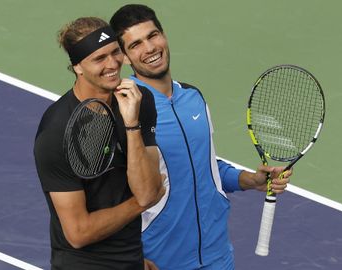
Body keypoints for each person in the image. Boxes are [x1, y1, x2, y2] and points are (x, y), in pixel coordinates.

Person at [110, 5, 292, 270]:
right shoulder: (126, 108)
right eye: (136, 44)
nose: (149, 48)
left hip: (216, 255)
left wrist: (250, 180)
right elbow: (108, 193)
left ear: (164, 36)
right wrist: (131, 259)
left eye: (153, 36)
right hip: (159, 260)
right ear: (124, 56)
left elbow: (205, 167)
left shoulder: (193, 98)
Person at [33, 17, 165, 270]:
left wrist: (132, 124)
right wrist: (139, 203)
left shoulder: (139, 100)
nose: (113, 63)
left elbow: (148, 190)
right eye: (99, 58)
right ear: (78, 68)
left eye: (115, 52)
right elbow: (78, 233)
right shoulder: (55, 131)